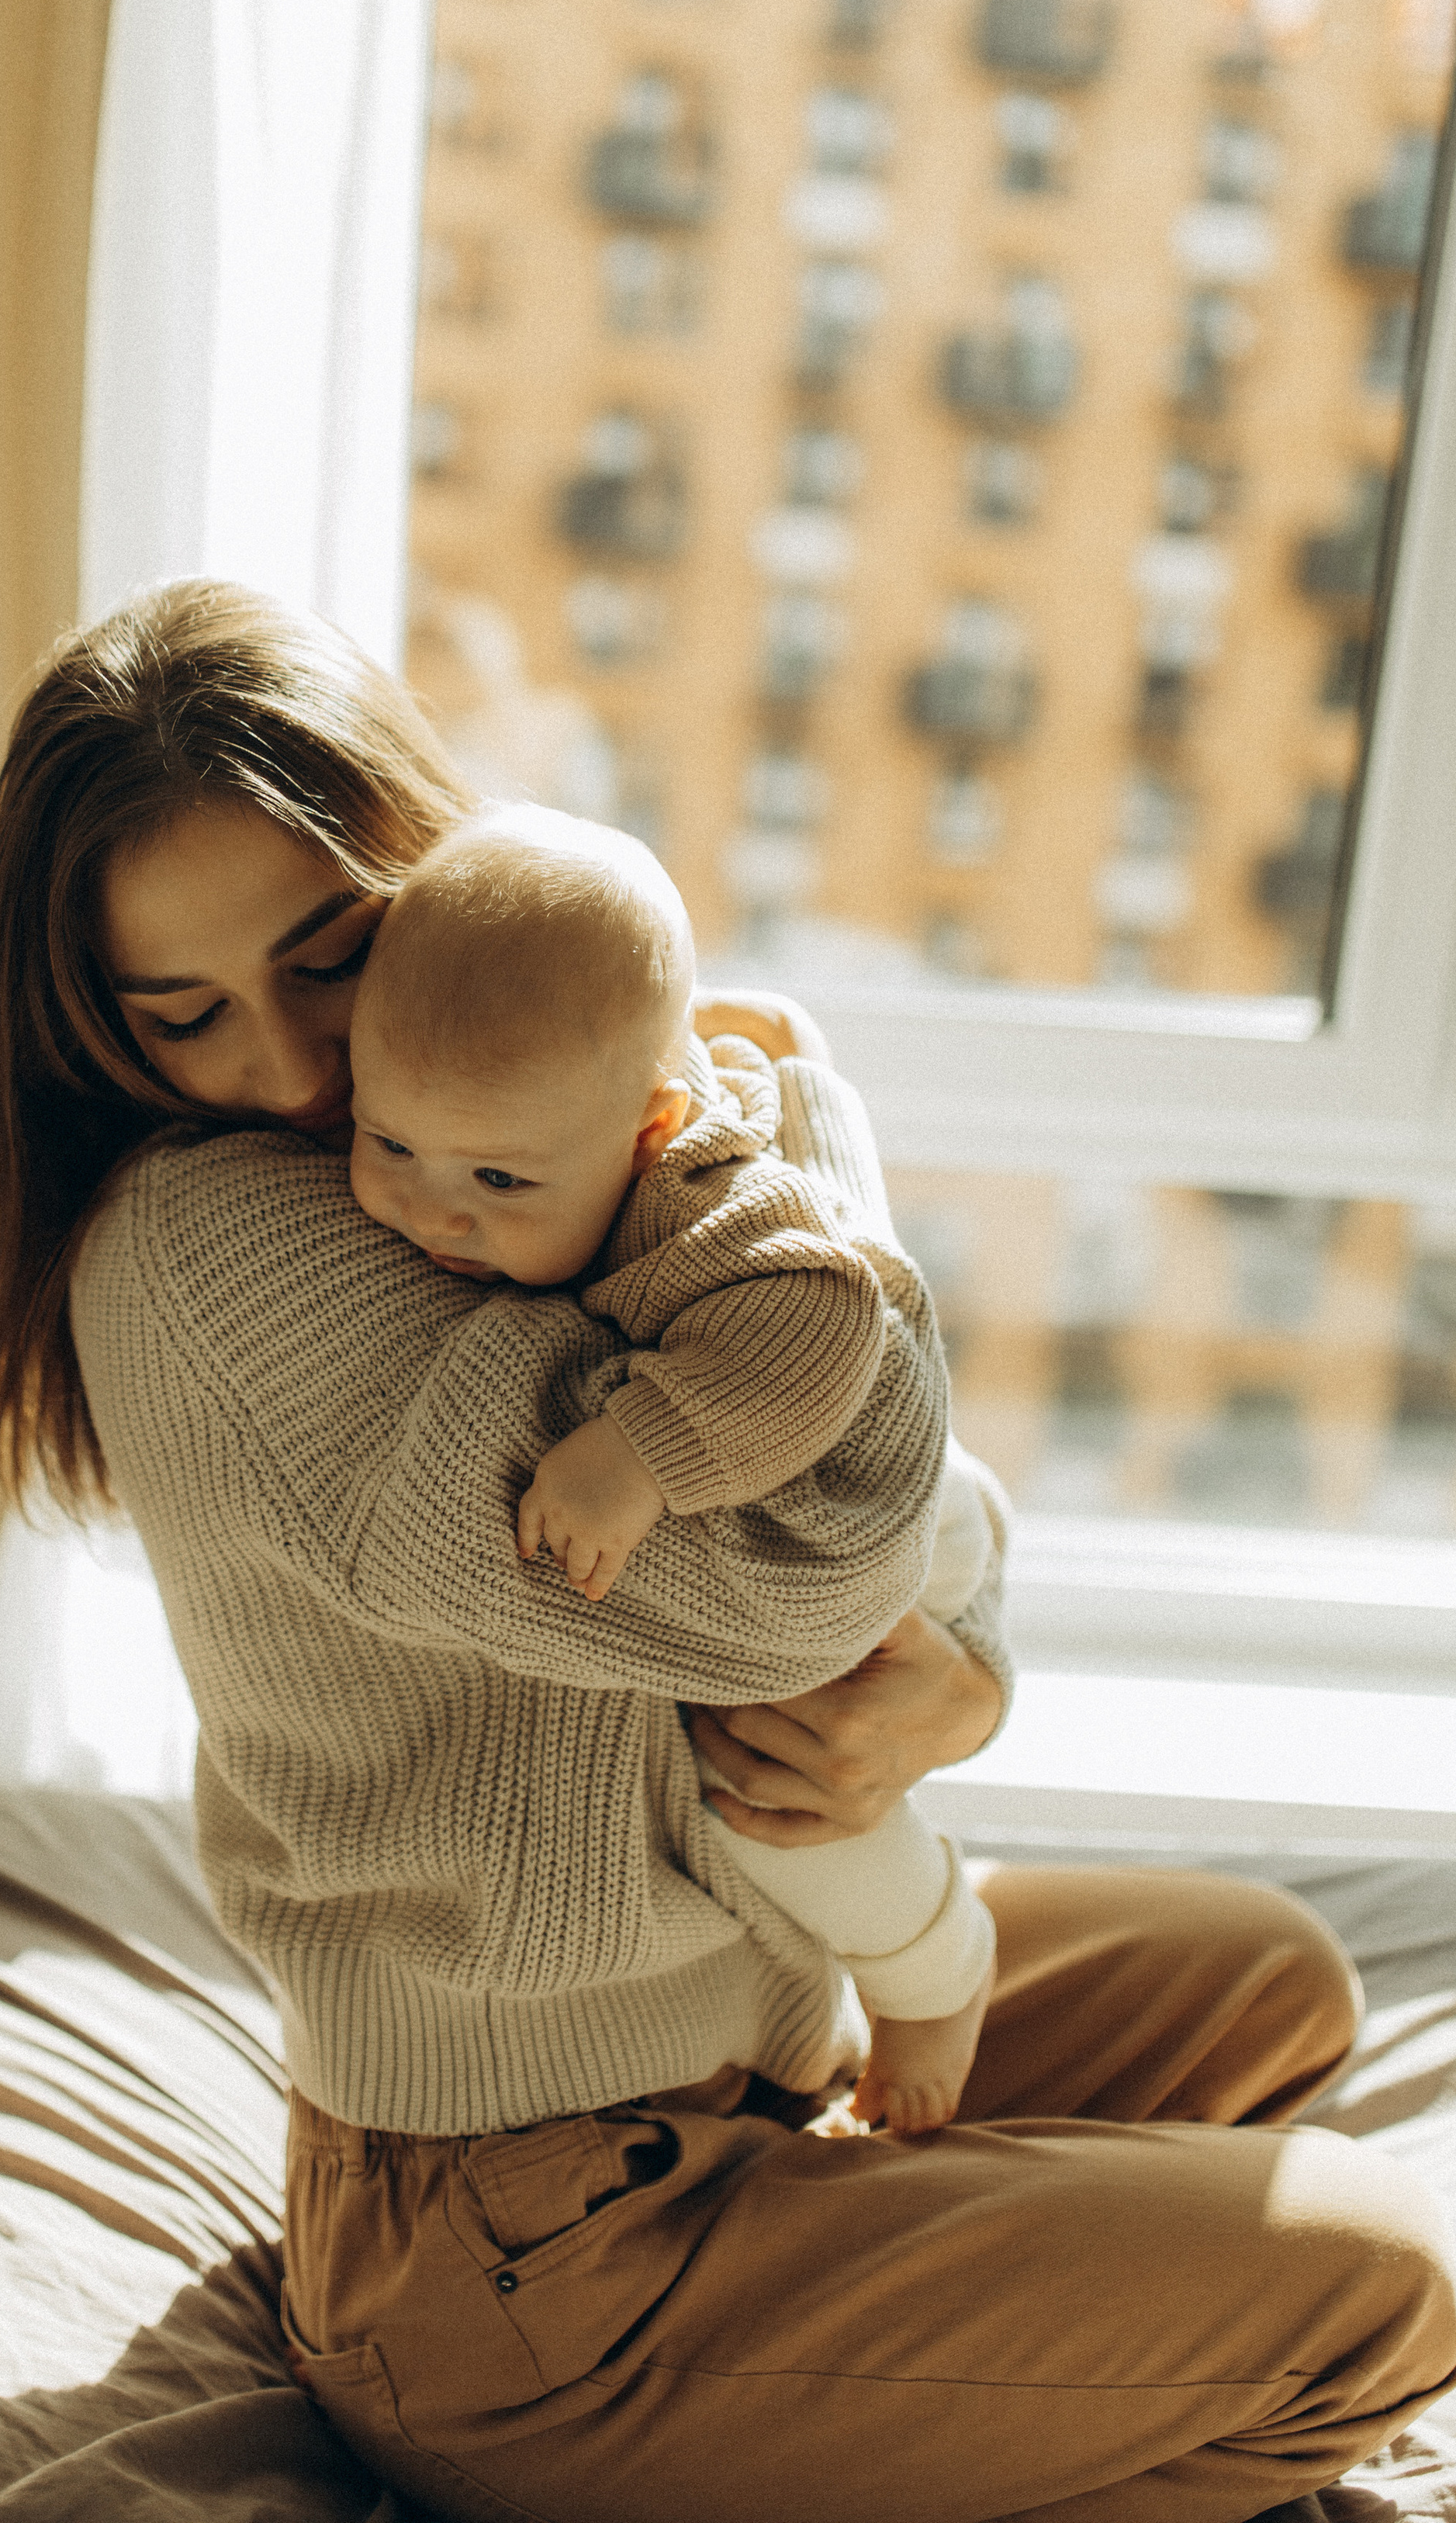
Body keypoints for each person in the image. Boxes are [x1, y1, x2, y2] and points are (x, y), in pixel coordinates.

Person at [0, 576, 1456, 2523]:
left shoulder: (493, 1133)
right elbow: (799, 1579)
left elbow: (899, 1506)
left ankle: (846, 2311)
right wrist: (805, 1134)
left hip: (751, 2039)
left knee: (1267, 1990)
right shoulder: (228, 1253)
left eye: (330, 958)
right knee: (1375, 2293)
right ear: (95, 1033)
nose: (299, 1068)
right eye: (184, 1018)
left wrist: (965, 1664)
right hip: (525, 2254)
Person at [345, 800, 998, 2134]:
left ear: (650, 1124)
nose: (433, 1210)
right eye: (386, 1143)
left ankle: (938, 1979)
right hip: (937, 1510)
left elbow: (828, 1319)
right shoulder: (540, 1121)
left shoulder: (700, 1202)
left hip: (893, 1514)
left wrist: (637, 1452)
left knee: (775, 1799)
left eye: (500, 1182)